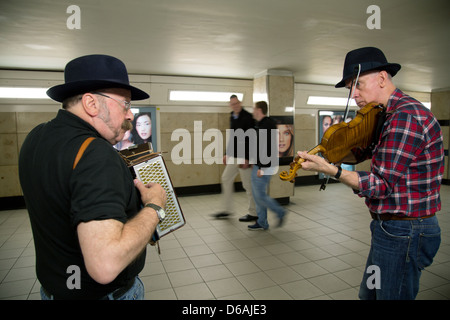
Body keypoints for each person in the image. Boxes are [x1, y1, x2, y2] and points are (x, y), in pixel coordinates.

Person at [296, 47, 444, 300]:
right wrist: (338, 149)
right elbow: (369, 151)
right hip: (388, 227)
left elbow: (381, 184)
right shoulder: (385, 115)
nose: (353, 94)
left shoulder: (404, 116)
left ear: (382, 78)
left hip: (405, 230)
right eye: (350, 88)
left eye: (358, 84)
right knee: (369, 296)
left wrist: (331, 170)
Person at [18, 54, 167, 300]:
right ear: (91, 104)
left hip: (54, 291)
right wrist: (154, 207)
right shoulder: (95, 153)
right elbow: (105, 266)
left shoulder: (36, 136)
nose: (130, 115)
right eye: (126, 104)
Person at [213, 95, 257, 222]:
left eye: (237, 103)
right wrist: (227, 153)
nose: (235, 106)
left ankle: (254, 213)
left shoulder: (248, 117)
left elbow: (252, 139)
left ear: (240, 103)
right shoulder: (232, 116)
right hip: (234, 156)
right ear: (230, 105)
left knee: (247, 185)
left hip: (244, 157)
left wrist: (248, 158)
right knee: (225, 178)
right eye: (233, 104)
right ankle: (227, 210)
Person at [248, 101, 286, 230]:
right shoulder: (261, 124)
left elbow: (268, 148)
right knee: (257, 194)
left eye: (254, 108)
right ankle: (262, 222)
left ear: (259, 110)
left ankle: (280, 212)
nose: (253, 111)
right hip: (259, 165)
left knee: (260, 195)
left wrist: (262, 167)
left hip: (264, 166)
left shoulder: (267, 125)